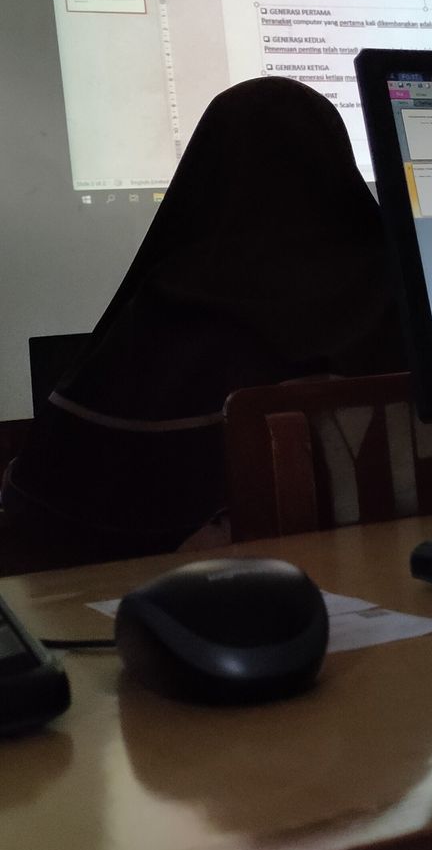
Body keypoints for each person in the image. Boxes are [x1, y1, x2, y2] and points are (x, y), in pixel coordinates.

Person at [1, 78, 404, 570]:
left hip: (205, 614)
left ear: (207, 171)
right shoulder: (410, 305)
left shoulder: (172, 313)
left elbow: (47, 505)